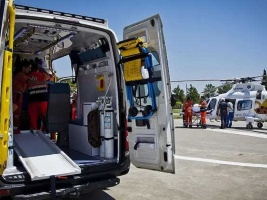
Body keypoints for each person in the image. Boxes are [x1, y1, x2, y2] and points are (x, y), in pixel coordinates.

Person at [27, 61, 50, 131]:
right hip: (43, 99)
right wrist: (42, 69)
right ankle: (43, 131)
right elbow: (50, 77)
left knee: (33, 117)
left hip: (32, 99)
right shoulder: (43, 75)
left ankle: (33, 131)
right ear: (38, 68)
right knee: (44, 116)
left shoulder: (28, 76)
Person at [12, 60, 32, 131]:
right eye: (29, 68)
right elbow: (29, 81)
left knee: (15, 112)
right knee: (16, 114)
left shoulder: (17, 74)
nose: (30, 70)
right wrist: (43, 82)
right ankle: (14, 130)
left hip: (16, 95)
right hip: (17, 96)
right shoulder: (21, 75)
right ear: (24, 67)